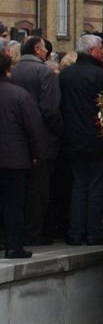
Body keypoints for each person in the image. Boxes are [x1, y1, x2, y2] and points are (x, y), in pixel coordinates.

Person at [59, 33, 103, 246]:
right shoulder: (102, 77)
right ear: (92, 51)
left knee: (79, 186)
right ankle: (94, 231)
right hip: (97, 140)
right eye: (101, 48)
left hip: (72, 138)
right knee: (96, 187)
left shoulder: (66, 76)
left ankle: (75, 231)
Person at [9, 36, 61, 245]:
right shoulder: (44, 72)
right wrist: (58, 131)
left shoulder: (14, 71)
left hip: (16, 139)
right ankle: (33, 231)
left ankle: (17, 230)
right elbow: (50, 108)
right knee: (39, 189)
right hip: (42, 138)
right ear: (38, 50)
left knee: (17, 190)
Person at [0, 53, 46, 259]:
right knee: (14, 204)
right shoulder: (19, 95)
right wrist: (37, 154)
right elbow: (34, 128)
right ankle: (13, 246)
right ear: (8, 70)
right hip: (15, 159)